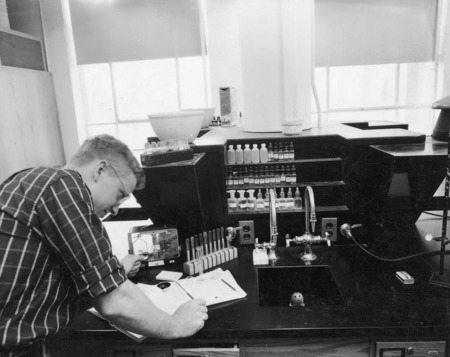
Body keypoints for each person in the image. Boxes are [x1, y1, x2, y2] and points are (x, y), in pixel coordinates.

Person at [0, 134, 208, 356]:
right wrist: (175, 324)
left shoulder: (33, 182)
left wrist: (114, 273)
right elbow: (114, 303)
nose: (116, 209)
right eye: (120, 194)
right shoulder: (62, 185)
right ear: (100, 170)